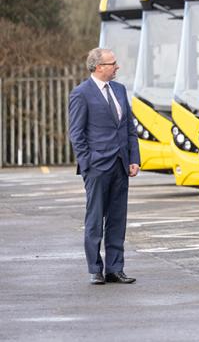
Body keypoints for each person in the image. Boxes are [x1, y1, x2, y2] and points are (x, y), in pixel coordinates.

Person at [68, 48, 140, 285]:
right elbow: (76, 133)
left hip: (121, 165)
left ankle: (115, 268)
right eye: (113, 63)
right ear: (99, 67)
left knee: (118, 220)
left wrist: (133, 159)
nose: (117, 67)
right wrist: (87, 164)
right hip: (97, 167)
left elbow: (129, 127)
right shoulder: (81, 94)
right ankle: (95, 269)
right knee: (95, 220)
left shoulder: (119, 89)